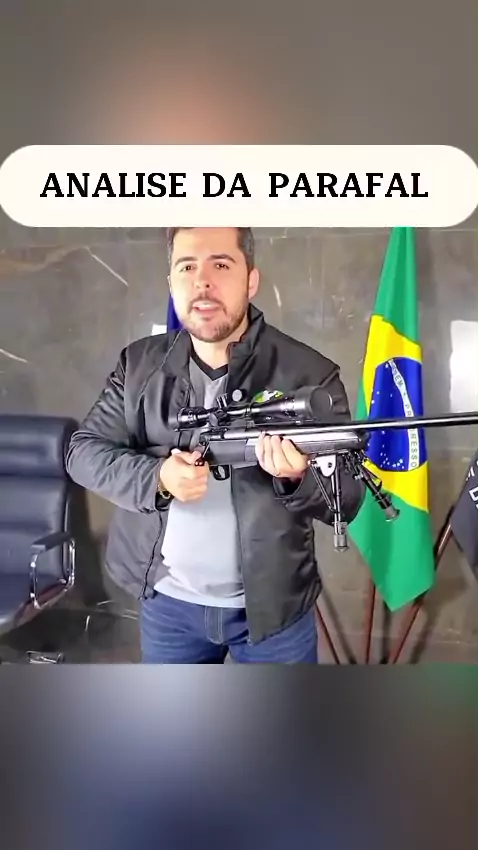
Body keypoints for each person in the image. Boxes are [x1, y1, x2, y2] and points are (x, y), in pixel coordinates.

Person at [66, 227, 365, 663]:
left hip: (276, 612)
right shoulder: (138, 366)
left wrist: (298, 478)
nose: (202, 281)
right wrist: (157, 476)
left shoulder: (309, 375)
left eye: (221, 265)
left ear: (251, 280)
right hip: (167, 607)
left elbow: (349, 497)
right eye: (187, 267)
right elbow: (82, 453)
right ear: (171, 283)